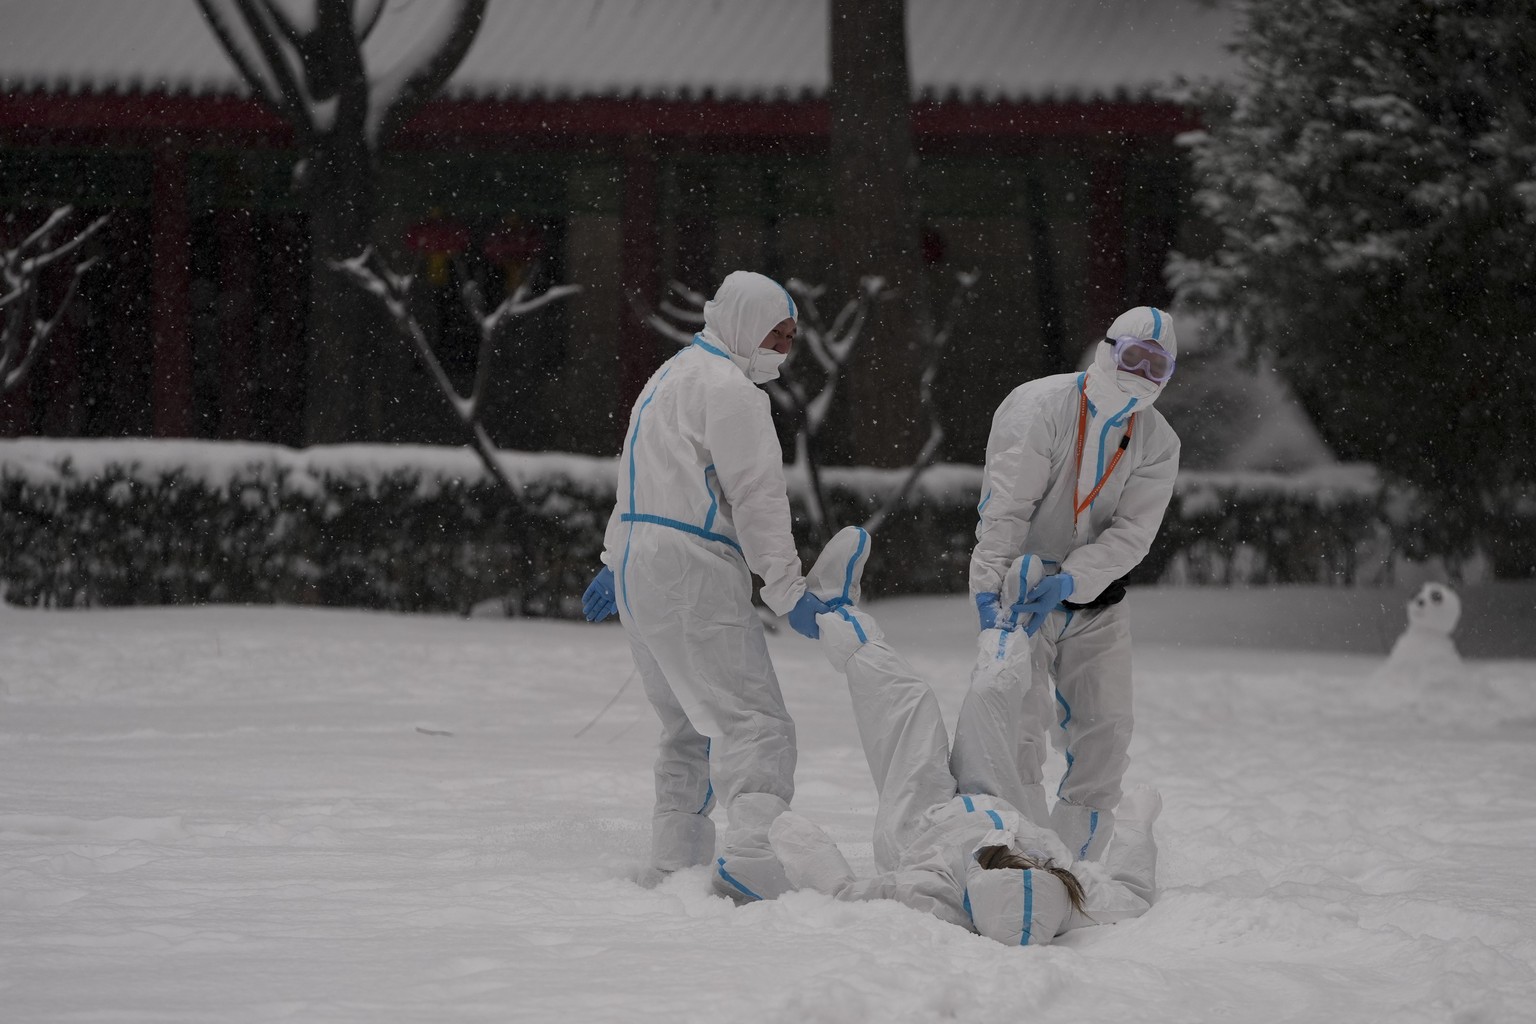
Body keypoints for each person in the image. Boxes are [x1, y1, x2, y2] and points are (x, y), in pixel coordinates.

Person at [766, 526, 1162, 947]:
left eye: (1004, 866)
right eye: (1029, 866)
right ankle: (1012, 621)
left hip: (919, 823)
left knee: (907, 704)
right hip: (997, 801)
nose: (1015, 857)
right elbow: (1131, 894)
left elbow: (846, 895)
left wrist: (802, 846)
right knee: (988, 698)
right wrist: (1138, 825)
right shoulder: (1068, 897)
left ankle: (834, 609)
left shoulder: (932, 894)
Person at [581, 270, 831, 902]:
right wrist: (787, 589)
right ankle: (753, 858)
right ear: (745, 324)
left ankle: (676, 860)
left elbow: (636, 470)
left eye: (792, 338)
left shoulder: (668, 377)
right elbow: (758, 500)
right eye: (777, 334)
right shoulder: (732, 392)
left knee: (689, 725)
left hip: (642, 569)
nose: (784, 349)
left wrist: (617, 558)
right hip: (691, 570)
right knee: (755, 722)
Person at [950, 307, 1180, 863]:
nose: (1141, 373)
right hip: (1022, 594)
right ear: (1107, 349)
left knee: (1106, 733)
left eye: (1157, 366)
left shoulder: (1157, 439)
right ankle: (1010, 856)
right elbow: (1008, 504)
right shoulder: (1040, 405)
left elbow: (1132, 533)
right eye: (1133, 357)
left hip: (1097, 598)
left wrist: (1073, 579)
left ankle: (1074, 865)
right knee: (1016, 727)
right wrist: (990, 589)